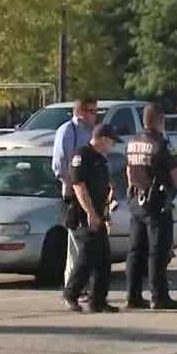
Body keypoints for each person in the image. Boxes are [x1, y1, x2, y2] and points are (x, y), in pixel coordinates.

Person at [124, 105, 177, 310]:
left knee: (135, 251)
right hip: (157, 203)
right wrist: (173, 189)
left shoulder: (133, 142)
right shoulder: (159, 144)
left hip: (136, 200)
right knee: (157, 252)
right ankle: (159, 297)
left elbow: (128, 171)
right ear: (160, 120)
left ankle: (132, 296)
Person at [63, 124, 120, 313]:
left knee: (103, 259)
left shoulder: (100, 159)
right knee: (87, 257)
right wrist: (90, 213)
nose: (112, 146)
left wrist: (106, 210)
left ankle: (98, 301)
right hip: (83, 216)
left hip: (98, 215)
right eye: (111, 141)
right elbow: (79, 186)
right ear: (103, 139)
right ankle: (71, 293)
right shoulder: (81, 156)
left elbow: (105, 186)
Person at [51, 97, 99, 287]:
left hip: (90, 193)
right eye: (92, 111)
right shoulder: (67, 131)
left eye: (96, 112)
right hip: (74, 194)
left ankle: (83, 287)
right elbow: (59, 164)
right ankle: (72, 289)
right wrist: (72, 185)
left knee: (87, 245)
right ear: (81, 113)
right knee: (76, 245)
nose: (95, 116)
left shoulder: (91, 133)